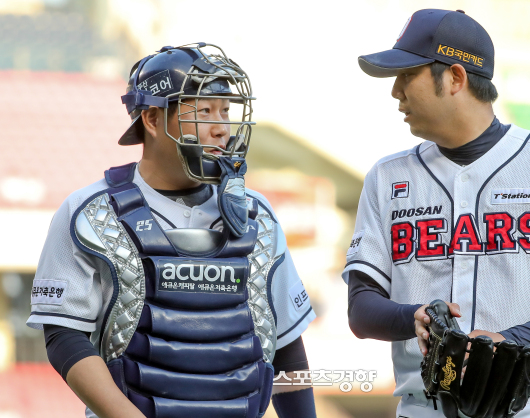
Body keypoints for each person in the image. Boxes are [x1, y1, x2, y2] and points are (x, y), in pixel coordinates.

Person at [343, 9, 530, 418]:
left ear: (455, 78)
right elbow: (360, 308)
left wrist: (510, 342)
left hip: (527, 408)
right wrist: (413, 317)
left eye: (408, 74)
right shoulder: (386, 177)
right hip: (421, 409)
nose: (396, 91)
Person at [27, 43, 317, 418]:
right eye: (204, 112)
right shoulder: (92, 212)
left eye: (226, 112)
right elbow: (63, 337)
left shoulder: (257, 213)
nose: (221, 128)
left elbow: (287, 347)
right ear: (151, 118)